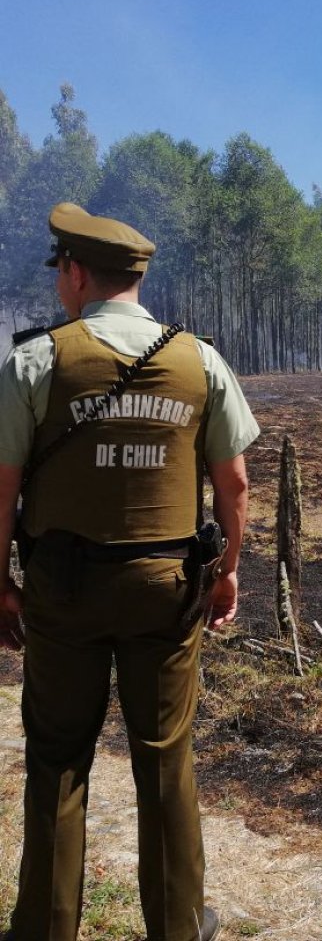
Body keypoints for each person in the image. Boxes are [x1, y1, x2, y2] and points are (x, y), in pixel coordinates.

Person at [0, 202, 260, 941]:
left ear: (78, 273)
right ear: (135, 278)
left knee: (57, 760)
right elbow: (234, 485)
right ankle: (179, 927)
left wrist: (0, 585)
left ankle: (45, 930)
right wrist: (228, 570)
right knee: (165, 760)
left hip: (62, 588)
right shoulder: (200, 360)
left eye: (60, 271)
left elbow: (3, 490)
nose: (58, 283)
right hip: (167, 589)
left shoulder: (35, 361)